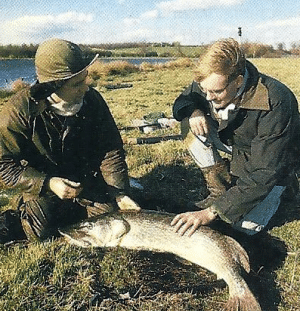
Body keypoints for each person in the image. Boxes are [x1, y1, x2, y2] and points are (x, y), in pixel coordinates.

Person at [0, 38, 140, 242]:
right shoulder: (17, 111)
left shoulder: (93, 100)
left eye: (86, 78)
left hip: (85, 180)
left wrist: (119, 193)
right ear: (52, 86)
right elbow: (4, 166)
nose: (86, 87)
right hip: (43, 185)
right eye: (77, 84)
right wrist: (47, 183)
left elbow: (110, 150)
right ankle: (23, 213)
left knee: (109, 220)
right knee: (41, 232)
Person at [171, 38, 300, 237]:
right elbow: (183, 101)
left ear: (238, 81)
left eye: (216, 92)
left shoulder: (276, 100)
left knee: (242, 227)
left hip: (274, 163)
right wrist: (194, 110)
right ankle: (219, 190)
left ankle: (286, 189)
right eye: (204, 90)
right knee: (189, 124)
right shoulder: (211, 81)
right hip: (238, 145)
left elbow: (265, 171)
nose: (208, 97)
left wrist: (212, 212)